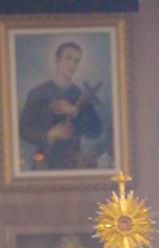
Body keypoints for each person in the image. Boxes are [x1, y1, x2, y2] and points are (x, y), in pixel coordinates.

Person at [19, 41, 104, 171]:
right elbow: (24, 129)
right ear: (57, 60)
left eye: (77, 61)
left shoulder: (80, 95)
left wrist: (75, 111)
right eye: (68, 58)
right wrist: (49, 135)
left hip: (73, 163)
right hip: (43, 161)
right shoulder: (38, 93)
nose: (73, 65)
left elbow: (96, 131)